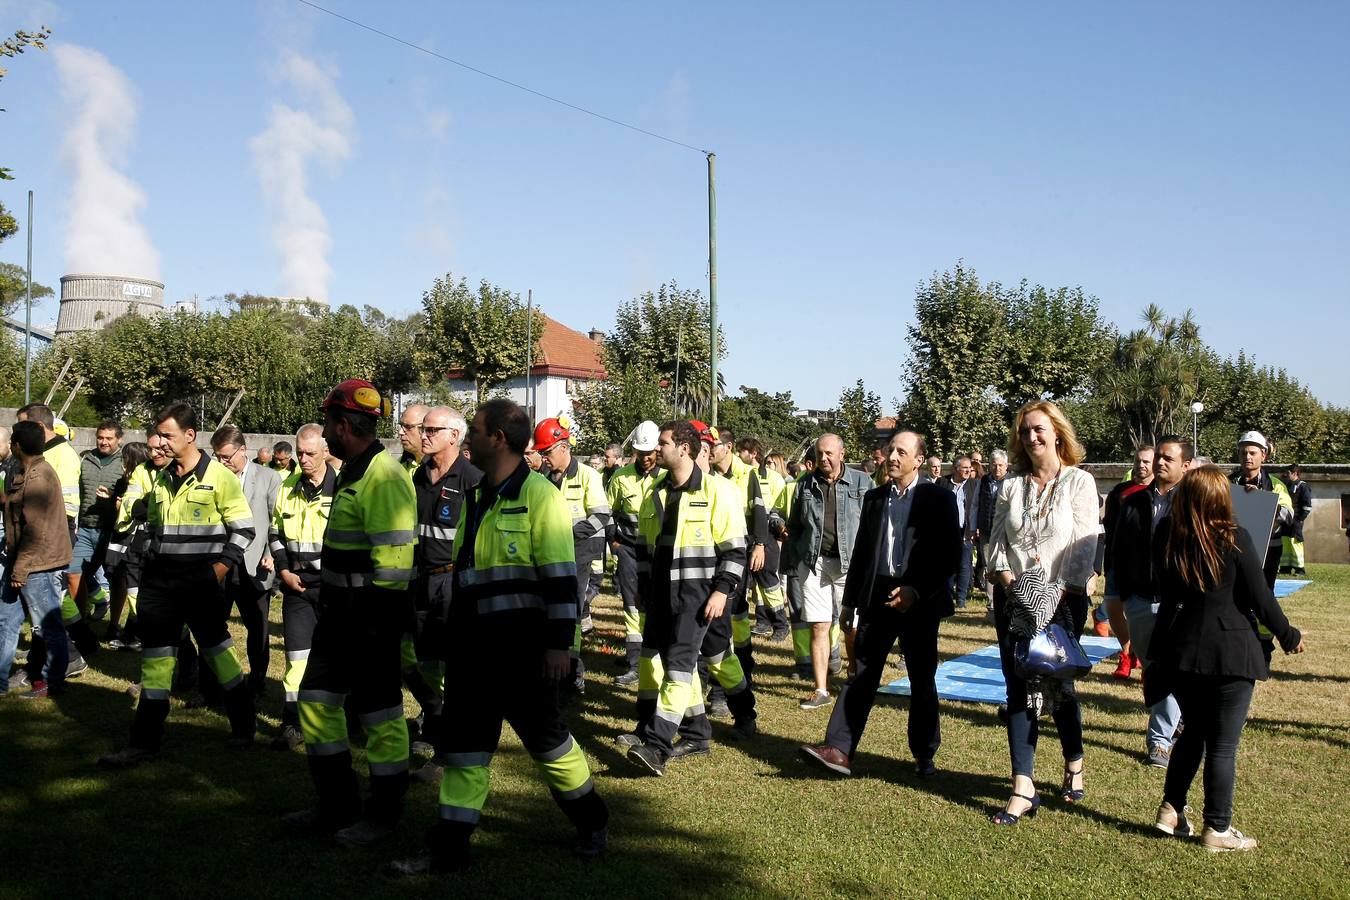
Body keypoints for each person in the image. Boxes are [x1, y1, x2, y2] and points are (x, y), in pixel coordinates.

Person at [387, 399, 608, 875]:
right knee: (464, 750)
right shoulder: (475, 496)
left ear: (500, 439)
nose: (471, 441)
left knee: (548, 745)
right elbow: (466, 576)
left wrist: (558, 646)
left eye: (479, 432)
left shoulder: (540, 496)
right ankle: (449, 848)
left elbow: (559, 579)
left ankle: (592, 821)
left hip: (524, 651)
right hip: (473, 650)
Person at [286, 380, 417, 847]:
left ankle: (383, 816)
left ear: (342, 425)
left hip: (370, 621)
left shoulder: (382, 475)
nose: (322, 433)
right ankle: (337, 806)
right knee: (317, 704)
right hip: (339, 618)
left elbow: (396, 564)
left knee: (381, 719)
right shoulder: (356, 471)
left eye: (326, 423)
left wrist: (379, 629)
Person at [1149, 465, 1305, 852]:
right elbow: (1261, 598)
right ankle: (1217, 828)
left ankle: (1171, 809)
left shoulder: (1169, 537)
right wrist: (1289, 636)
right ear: (1220, 498)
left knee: (1193, 735)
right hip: (1231, 653)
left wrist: (1154, 657)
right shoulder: (1235, 538)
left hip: (1182, 652)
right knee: (1221, 745)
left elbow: (1167, 602)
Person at [98, 402, 258, 768]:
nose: (161, 443)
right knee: (155, 663)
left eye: (168, 436)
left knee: (218, 654)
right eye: (159, 436)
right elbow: (155, 527)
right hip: (159, 582)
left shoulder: (220, 477)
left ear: (190, 436)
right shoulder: (159, 477)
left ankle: (244, 724)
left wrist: (215, 572)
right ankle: (144, 743)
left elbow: (244, 530)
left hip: (200, 584)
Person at [800, 429, 960, 778]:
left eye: (902, 452)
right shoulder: (873, 499)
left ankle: (924, 754)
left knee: (921, 678)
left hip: (920, 598)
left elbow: (949, 555)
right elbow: (861, 556)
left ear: (919, 460)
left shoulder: (938, 498)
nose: (892, 457)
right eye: (891, 450)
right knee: (861, 673)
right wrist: (849, 604)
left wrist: (916, 591)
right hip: (878, 596)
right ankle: (839, 749)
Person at [986, 400, 1100, 825]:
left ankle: (1073, 760)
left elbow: (1085, 544)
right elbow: (995, 541)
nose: (1032, 437)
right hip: (1014, 599)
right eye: (1025, 431)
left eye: (1039, 429)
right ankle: (1023, 787)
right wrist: (1005, 578)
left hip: (1063, 602)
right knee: (1018, 686)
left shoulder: (1079, 483)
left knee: (1059, 686)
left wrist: (1054, 595)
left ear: (1056, 432)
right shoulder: (1010, 487)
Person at [622, 420, 752, 774]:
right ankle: (697, 732)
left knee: (681, 669)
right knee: (694, 662)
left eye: (663, 443)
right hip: (663, 597)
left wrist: (722, 591)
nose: (656, 450)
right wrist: (645, 590)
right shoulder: (656, 493)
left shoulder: (718, 492)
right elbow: (645, 550)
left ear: (684, 448)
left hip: (699, 597)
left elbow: (736, 551)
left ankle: (657, 745)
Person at [406, 405, 481, 776]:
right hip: (420, 580)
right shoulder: (419, 475)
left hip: (454, 583)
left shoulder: (472, 479)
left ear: (455, 435)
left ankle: (450, 750)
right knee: (426, 662)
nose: (424, 435)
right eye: (423, 429)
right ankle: (434, 728)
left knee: (455, 667)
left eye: (432, 429)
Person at [1111, 436, 1192, 769]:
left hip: (1182, 603)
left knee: (1175, 669)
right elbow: (1117, 548)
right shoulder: (1133, 501)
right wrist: (1119, 590)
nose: (1160, 463)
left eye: (1168, 459)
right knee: (1155, 671)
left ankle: (1159, 740)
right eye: (1158, 456)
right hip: (1141, 602)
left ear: (1186, 466)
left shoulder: (1193, 503)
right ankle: (1176, 720)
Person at [785, 433, 871, 710]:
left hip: (853, 564)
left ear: (842, 454)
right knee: (819, 625)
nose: (824, 458)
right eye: (820, 453)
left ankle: (856, 678)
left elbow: (874, 523)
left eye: (829, 453)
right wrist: (800, 554)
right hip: (815, 564)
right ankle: (821, 689)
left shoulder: (862, 482)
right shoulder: (804, 485)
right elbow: (795, 524)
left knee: (853, 627)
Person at [267, 424, 334, 752]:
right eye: (299, 453)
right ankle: (292, 721)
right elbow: (275, 532)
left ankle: (336, 719)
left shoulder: (344, 488)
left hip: (334, 588)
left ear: (325, 451)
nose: (303, 459)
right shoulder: (287, 487)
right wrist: (283, 569)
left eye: (310, 453)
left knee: (337, 657)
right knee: (296, 658)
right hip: (297, 587)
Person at [205, 426, 280, 703]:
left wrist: (272, 552)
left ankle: (257, 681)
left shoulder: (268, 477)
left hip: (254, 564)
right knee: (212, 625)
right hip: (220, 561)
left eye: (226, 457)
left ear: (242, 450)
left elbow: (275, 520)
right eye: (218, 456)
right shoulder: (213, 477)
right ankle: (212, 686)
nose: (222, 462)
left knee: (257, 629)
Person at [535, 415, 610, 690]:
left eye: (547, 452)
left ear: (564, 447)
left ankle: (573, 669)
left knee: (573, 609)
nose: (544, 458)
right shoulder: (543, 478)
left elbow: (601, 516)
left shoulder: (588, 475)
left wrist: (567, 533)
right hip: (550, 551)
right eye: (541, 453)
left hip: (579, 549)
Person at [0, 420, 73, 698]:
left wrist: (20, 570)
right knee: (6, 621)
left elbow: (35, 530)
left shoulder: (39, 477)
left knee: (48, 627)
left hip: (37, 565)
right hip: (24, 562)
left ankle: (53, 682)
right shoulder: (27, 472)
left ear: (16, 445)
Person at [606, 420, 661, 685]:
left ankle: (656, 658)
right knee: (631, 604)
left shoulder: (666, 478)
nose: (647, 458)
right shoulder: (620, 477)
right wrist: (613, 543)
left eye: (651, 453)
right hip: (628, 549)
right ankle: (634, 661)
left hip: (658, 553)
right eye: (642, 453)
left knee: (655, 604)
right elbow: (606, 513)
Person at [1100, 446, 1155, 676]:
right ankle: (1127, 652)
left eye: (1146, 461)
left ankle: (1144, 659)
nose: (1140, 465)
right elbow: (1109, 526)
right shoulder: (1120, 491)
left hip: (1144, 566)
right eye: (1137, 460)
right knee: (1112, 608)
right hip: (1117, 559)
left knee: (1140, 614)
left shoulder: (1160, 491)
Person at [737, 435, 790, 642]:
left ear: (753, 454)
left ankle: (780, 624)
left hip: (765, 534)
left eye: (741, 451)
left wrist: (776, 537)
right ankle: (759, 622)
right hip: (743, 532)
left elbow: (779, 511)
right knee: (744, 584)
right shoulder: (739, 476)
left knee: (768, 582)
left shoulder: (774, 479)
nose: (737, 455)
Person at [73, 420, 122, 621]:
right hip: (85, 528)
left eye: (109, 438)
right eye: (100, 437)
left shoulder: (124, 462)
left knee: (117, 579)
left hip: (111, 530)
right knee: (73, 574)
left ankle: (115, 625)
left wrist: (114, 496)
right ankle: (80, 621)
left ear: (119, 439)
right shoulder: (86, 460)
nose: (103, 442)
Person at [973, 449, 1010, 615]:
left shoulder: (1012, 481)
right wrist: (973, 527)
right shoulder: (984, 481)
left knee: (1007, 566)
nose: (997, 468)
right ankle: (992, 607)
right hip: (987, 532)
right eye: (994, 465)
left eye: (1000, 465)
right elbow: (975, 505)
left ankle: (1008, 603)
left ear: (1006, 466)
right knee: (989, 567)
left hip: (1008, 533)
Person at [941, 455, 977, 609]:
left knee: (964, 565)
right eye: (965, 467)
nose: (969, 470)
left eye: (970, 468)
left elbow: (977, 507)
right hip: (946, 531)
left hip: (965, 531)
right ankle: (947, 596)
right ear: (956, 469)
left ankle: (961, 599)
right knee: (947, 565)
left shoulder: (974, 485)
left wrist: (976, 527)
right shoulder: (942, 482)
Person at [1280, 464, 1312, 577]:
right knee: (1285, 542)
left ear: (1295, 474)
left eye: (1288, 473)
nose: (1286, 475)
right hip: (1286, 519)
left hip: (1296, 520)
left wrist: (1300, 519)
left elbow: (1307, 505)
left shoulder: (1303, 486)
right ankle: (1285, 567)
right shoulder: (1286, 485)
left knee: (1295, 543)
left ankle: (1299, 568)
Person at [397, 403, 430, 472]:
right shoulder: (398, 466)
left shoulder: (439, 468)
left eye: (408, 427)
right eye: (401, 425)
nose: (401, 432)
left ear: (424, 429)